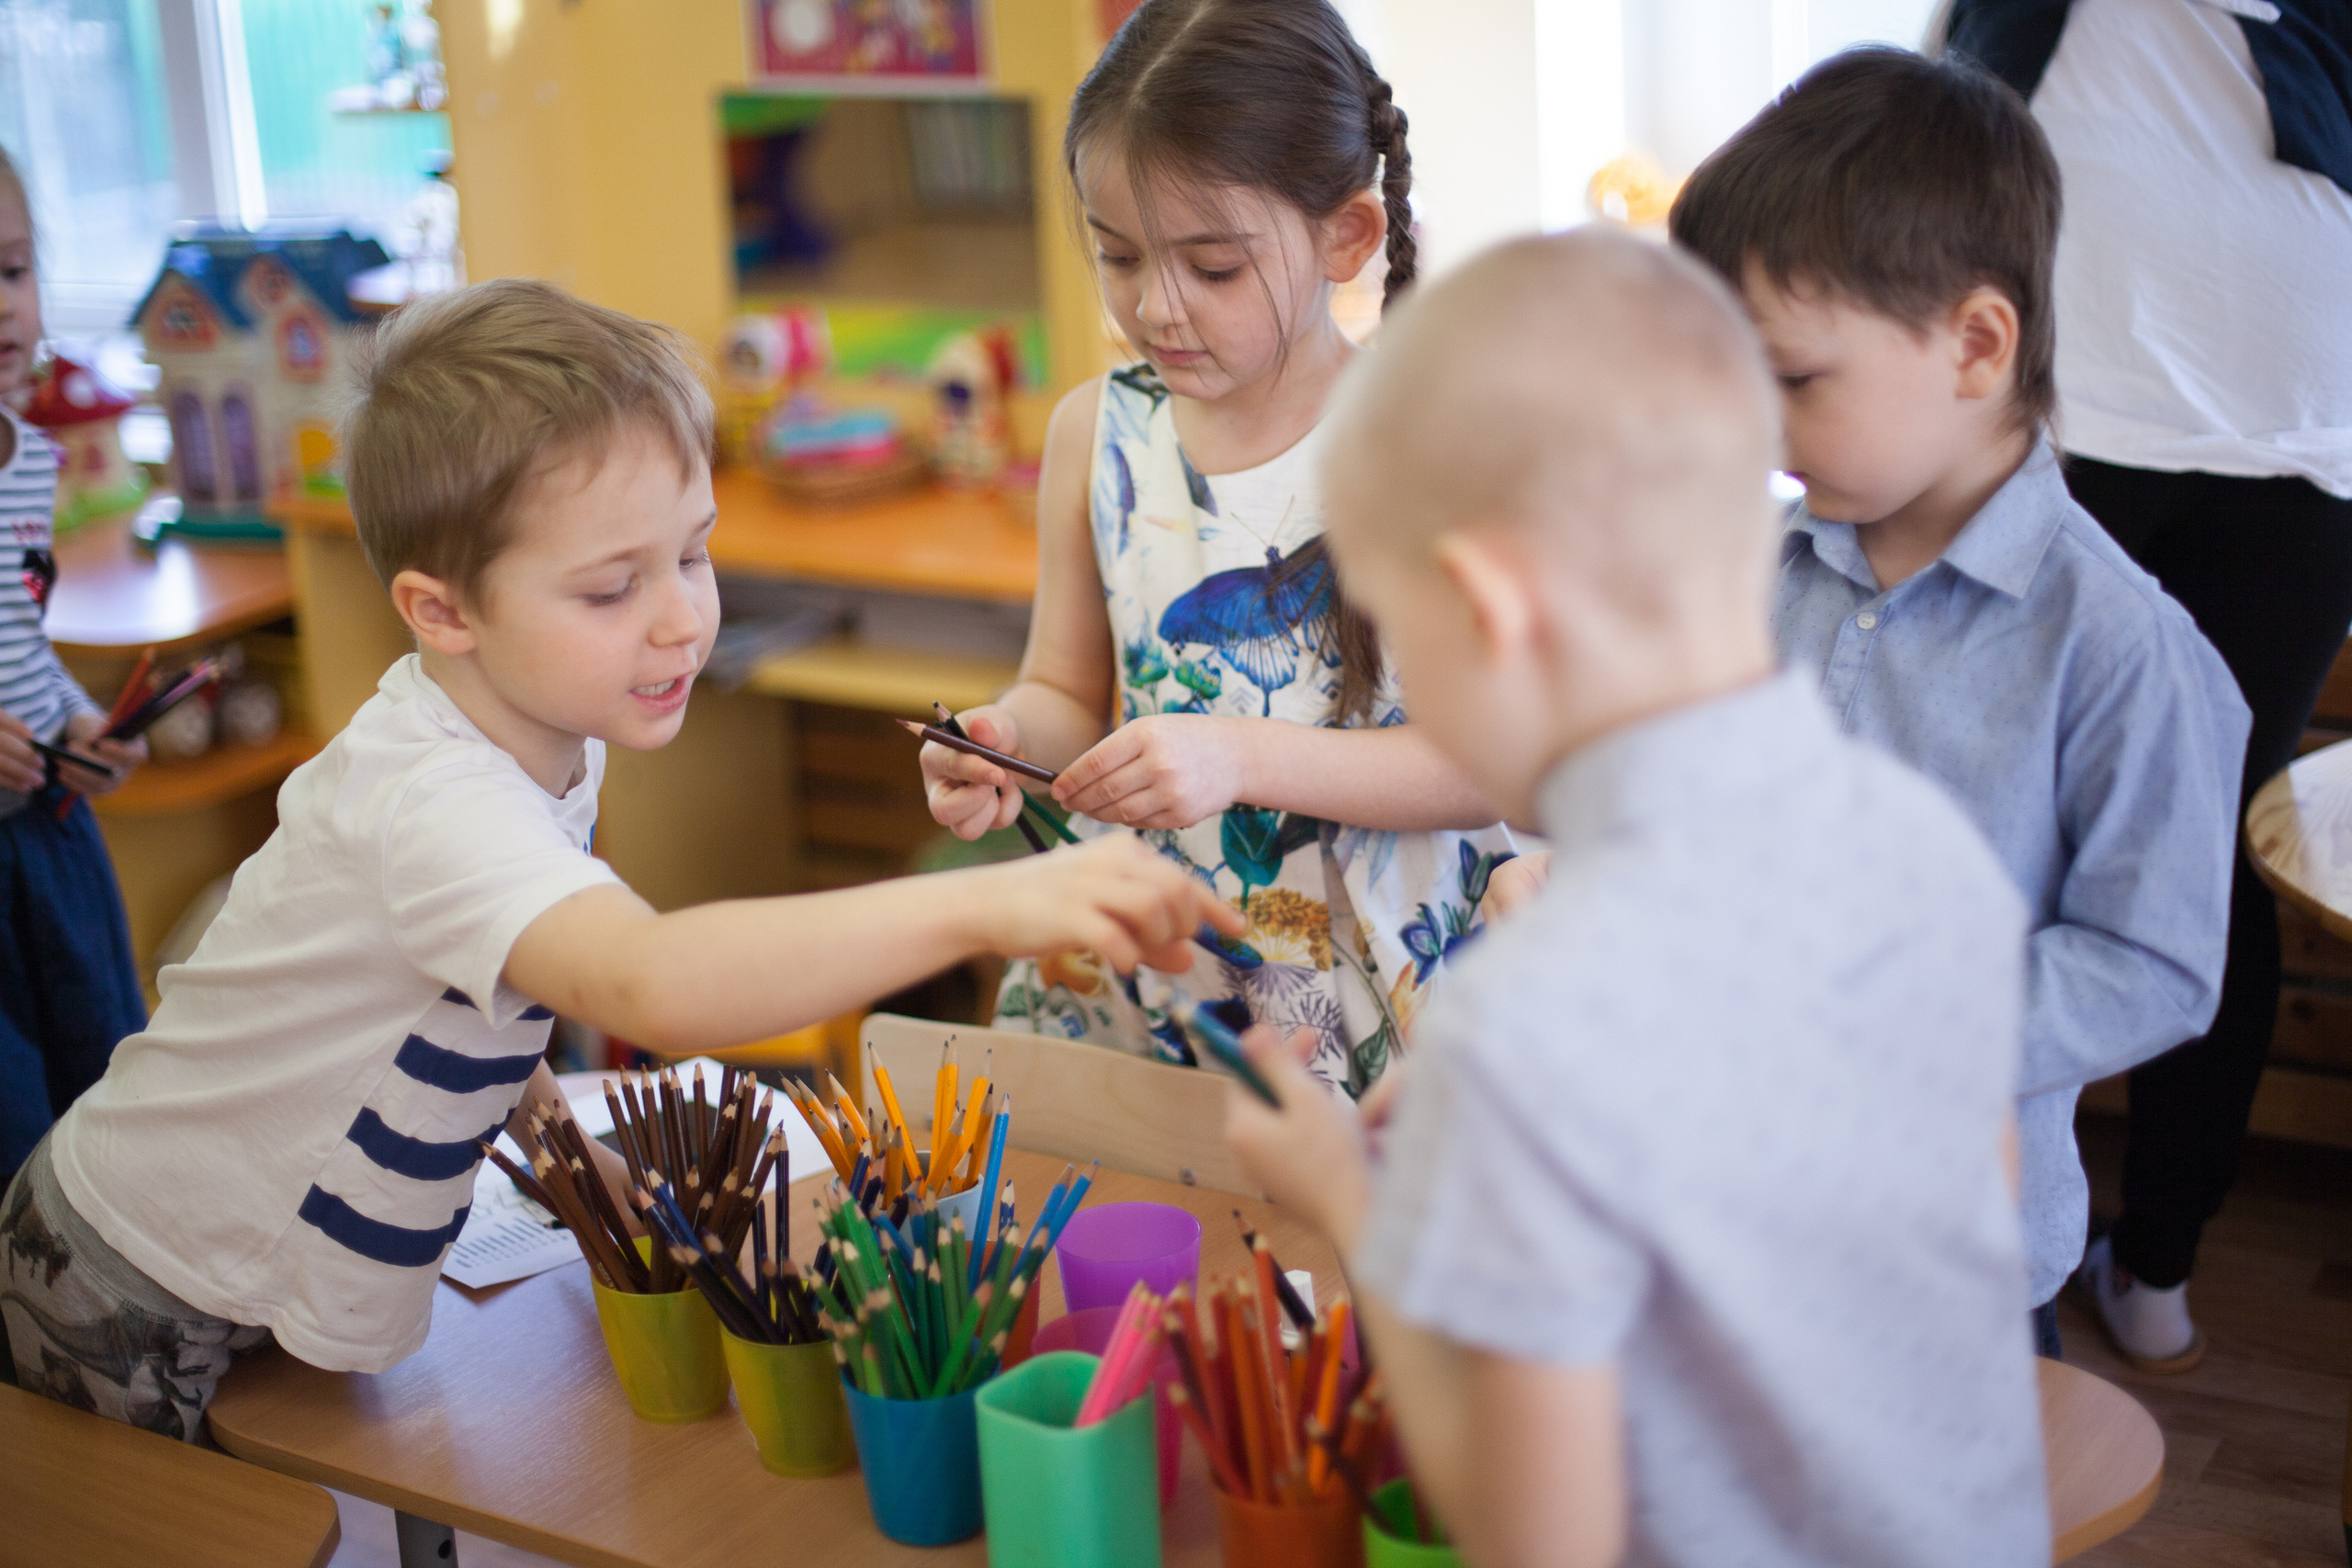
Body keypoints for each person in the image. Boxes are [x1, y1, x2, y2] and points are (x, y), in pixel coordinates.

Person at [0, 279, 1240, 1440]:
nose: (683, 618)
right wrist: (1001, 900)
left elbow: (476, 984)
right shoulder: (436, 800)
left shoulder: (545, 728)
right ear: (442, 611)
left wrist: (567, 1156)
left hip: (233, 1266)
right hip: (124, 1277)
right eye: (610, 589)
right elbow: (649, 981)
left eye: (693, 552)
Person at [1227, 229, 2049, 1568]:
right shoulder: (1930, 845)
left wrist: (1352, 1204)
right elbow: (1976, 1228)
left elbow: (1526, 1536)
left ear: (1486, 610)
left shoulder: (1520, 1033)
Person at [1666, 47, 2249, 1357]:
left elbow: (2156, 964)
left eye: (1793, 381)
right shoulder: (1755, 572)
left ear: (1977, 345)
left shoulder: (2122, 648)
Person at [916, 0, 1514, 1095]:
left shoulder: (1434, 440)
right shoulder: (1095, 435)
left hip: (1383, 1003)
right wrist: (1003, 740)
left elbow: (1487, 764)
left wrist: (1236, 755)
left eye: (1214, 268)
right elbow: (1066, 690)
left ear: (1346, 237)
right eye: (1118, 256)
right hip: (1165, 974)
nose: (1156, 307)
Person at [1941, 0, 2352, 1375]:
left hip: (2251, 423)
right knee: (2111, 844)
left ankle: (2139, 1254)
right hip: (2129, 407)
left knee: (2160, 852)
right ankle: (2087, 1266)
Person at [0, 147, 148, 1187]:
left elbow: (22, 645)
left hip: (51, 844)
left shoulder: (30, 459)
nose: (3, 303)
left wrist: (80, 721)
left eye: (12, 270)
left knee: (104, 1105)